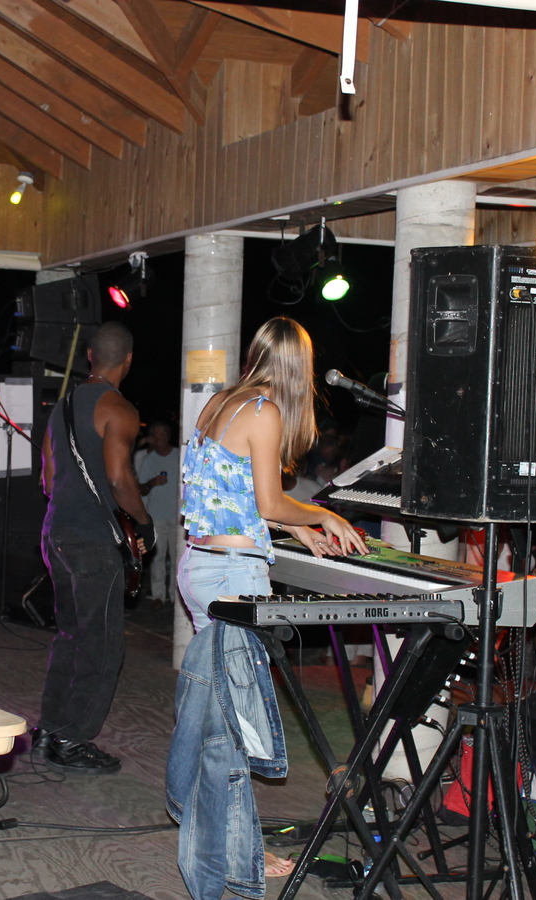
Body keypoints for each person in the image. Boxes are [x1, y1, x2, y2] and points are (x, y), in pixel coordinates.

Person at [168, 317, 368, 893]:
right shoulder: (266, 412)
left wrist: (297, 530)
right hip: (232, 577)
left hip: (201, 565)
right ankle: (233, 861)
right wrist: (323, 514)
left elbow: (228, 498)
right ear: (298, 367)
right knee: (232, 731)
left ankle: (236, 852)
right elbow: (269, 501)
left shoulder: (222, 404)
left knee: (223, 725)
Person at [36, 322, 153, 775]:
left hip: (55, 534)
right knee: (103, 646)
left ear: (89, 355)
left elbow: (48, 481)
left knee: (70, 636)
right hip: (91, 541)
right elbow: (120, 479)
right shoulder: (119, 409)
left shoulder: (61, 408)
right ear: (129, 360)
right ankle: (72, 738)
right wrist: (144, 523)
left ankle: (49, 727)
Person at [135, 418, 179, 605]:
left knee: (177, 558)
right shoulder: (148, 460)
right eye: (157, 434)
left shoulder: (179, 455)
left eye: (164, 434)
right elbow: (141, 489)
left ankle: (176, 597)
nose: (160, 438)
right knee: (158, 557)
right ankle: (158, 595)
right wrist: (152, 482)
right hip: (156, 515)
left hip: (177, 515)